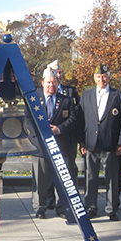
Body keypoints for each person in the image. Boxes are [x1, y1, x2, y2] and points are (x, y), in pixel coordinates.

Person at [32, 68, 82, 219]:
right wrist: (40, 131)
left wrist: (59, 129)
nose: (51, 85)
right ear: (42, 83)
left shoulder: (67, 100)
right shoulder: (33, 99)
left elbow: (73, 119)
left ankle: (62, 207)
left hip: (61, 144)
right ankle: (40, 207)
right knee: (40, 178)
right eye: (48, 82)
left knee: (63, 177)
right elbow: (27, 119)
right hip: (40, 145)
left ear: (58, 82)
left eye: (54, 82)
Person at [80, 64, 121, 221]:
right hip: (91, 142)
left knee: (111, 177)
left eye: (104, 76)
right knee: (90, 177)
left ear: (109, 77)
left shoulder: (118, 96)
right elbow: (81, 120)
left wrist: (120, 142)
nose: (102, 79)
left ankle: (111, 208)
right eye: (98, 77)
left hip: (110, 143)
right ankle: (91, 207)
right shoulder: (86, 95)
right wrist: (82, 142)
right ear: (94, 78)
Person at [46, 59, 82, 210]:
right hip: (48, 140)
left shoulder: (71, 91)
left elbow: (78, 116)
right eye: (55, 72)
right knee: (49, 172)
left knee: (68, 172)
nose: (58, 75)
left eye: (60, 72)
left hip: (67, 139)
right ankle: (49, 200)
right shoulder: (43, 91)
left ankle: (66, 203)